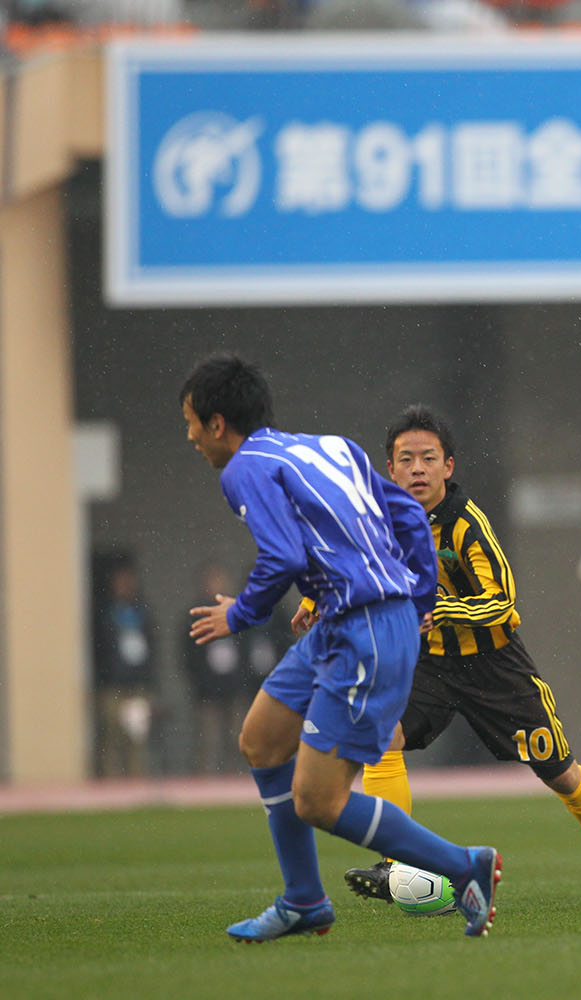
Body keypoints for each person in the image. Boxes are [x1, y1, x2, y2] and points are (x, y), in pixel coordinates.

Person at [179, 354, 501, 942]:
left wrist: (241, 613)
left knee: (318, 801)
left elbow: (283, 557)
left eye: (192, 423)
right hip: (347, 622)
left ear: (218, 422)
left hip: (366, 630)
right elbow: (404, 510)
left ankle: (462, 864)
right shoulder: (329, 446)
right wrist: (422, 593)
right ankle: (304, 900)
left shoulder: (242, 470)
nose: (191, 436)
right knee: (261, 739)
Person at [342, 405, 581, 902]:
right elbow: (348, 566)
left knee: (559, 771)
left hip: (495, 666)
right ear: (388, 470)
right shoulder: (377, 522)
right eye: (405, 459)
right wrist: (310, 601)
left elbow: (502, 601)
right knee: (378, 736)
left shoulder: (467, 525)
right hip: (429, 663)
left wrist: (444, 609)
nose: (417, 468)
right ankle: (394, 866)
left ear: (448, 467)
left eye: (427, 458)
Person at [183, 561, 264, 774]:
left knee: (235, 737)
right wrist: (199, 681)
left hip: (233, 686)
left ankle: (234, 778)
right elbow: (188, 654)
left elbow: (246, 646)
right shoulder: (196, 613)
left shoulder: (236, 610)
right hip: (208, 689)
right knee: (208, 738)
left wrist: (243, 678)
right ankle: (205, 779)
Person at [92, 555, 157, 778]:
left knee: (137, 738)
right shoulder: (104, 613)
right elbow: (99, 649)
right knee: (112, 736)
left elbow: (152, 647)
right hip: (113, 685)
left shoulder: (143, 611)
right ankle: (111, 783)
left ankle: (136, 781)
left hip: (137, 685)